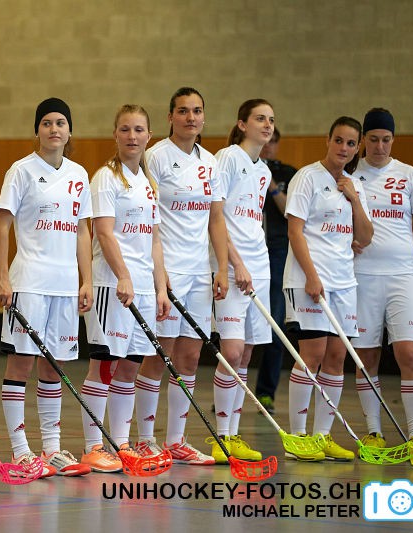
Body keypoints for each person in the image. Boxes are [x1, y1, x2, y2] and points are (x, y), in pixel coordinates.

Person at [0, 97, 93, 477]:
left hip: (65, 285)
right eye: (47, 123)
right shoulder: (20, 171)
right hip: (29, 282)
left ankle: (51, 448)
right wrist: (2, 275)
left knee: (55, 365)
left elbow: (83, 231)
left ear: (70, 131)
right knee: (21, 362)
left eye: (61, 123)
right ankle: (21, 450)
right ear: (37, 129)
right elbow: (1, 224)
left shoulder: (79, 174)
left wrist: (86, 279)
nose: (54, 129)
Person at [133, 87, 229, 465]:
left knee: (189, 357)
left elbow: (216, 219)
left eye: (198, 111)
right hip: (167, 270)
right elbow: (148, 221)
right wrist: (159, 274)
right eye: (183, 111)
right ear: (170, 117)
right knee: (160, 354)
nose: (191, 117)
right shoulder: (154, 158)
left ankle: (176, 440)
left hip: (199, 273)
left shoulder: (211, 162)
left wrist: (220, 267)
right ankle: (143, 439)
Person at [79, 105, 171, 472]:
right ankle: (93, 445)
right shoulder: (105, 178)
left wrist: (160, 288)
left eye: (139, 130)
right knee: (105, 364)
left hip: (144, 289)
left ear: (149, 136)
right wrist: (124, 275)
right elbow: (102, 230)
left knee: (131, 366)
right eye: (125, 130)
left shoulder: (149, 184)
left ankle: (121, 444)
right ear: (115, 134)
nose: (132, 136)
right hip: (111, 285)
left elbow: (154, 240)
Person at [284, 116, 372, 461]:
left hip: (344, 282)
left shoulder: (354, 184)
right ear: (328, 139)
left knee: (337, 359)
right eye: (339, 141)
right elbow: (295, 232)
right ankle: (298, 436)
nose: (344, 149)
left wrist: (354, 200)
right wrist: (311, 275)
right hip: (310, 280)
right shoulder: (307, 177)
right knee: (313, 355)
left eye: (351, 144)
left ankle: (321, 437)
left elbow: (364, 237)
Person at [351, 108, 413, 455]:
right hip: (363, 277)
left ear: (393, 140)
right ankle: (374, 431)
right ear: (364, 140)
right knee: (366, 356)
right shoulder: (351, 176)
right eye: (373, 139)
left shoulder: (410, 175)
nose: (380, 146)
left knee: (408, 353)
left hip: (403, 277)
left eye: (386, 140)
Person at [209, 99, 275, 463]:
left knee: (247, 352)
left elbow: (252, 221)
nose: (266, 125)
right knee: (231, 350)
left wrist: (254, 264)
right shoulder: (228, 158)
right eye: (260, 119)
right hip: (234, 268)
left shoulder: (263, 171)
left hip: (259, 266)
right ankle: (221, 436)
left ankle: (233, 436)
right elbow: (216, 218)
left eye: (270, 120)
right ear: (242, 123)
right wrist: (233, 264)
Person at [255, 128, 298, 414]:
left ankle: (266, 393)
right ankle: (232, 388)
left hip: (280, 251)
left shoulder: (288, 174)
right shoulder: (244, 168)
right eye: (265, 141)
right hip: (250, 251)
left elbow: (289, 212)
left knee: (276, 321)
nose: (268, 146)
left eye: (273, 142)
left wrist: (272, 186)